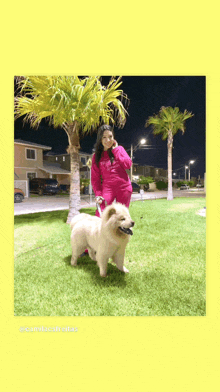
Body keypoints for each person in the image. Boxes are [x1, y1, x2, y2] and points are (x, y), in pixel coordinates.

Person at [91, 124, 133, 217]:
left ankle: (121, 232)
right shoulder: (96, 156)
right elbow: (95, 178)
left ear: (113, 138)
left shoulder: (119, 149)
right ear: (100, 139)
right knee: (101, 213)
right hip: (108, 188)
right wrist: (98, 194)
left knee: (121, 217)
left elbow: (128, 165)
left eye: (110, 137)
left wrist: (116, 150)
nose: (108, 140)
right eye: (104, 137)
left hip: (124, 187)